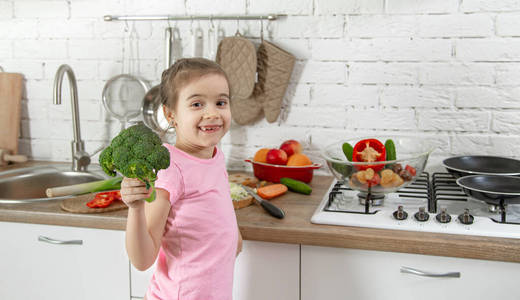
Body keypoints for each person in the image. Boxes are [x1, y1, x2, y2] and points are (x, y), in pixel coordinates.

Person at [120, 57, 242, 300]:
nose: (212, 113)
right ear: (171, 114)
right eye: (197, 104)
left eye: (220, 102)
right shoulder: (170, 168)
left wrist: (233, 239)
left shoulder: (215, 155)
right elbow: (143, 260)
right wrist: (135, 209)